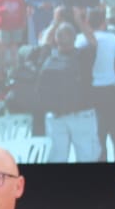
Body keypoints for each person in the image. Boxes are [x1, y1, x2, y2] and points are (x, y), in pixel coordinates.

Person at [33, 21, 97, 163]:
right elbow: (93, 42)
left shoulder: (47, 59)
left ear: (56, 40)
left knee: (57, 158)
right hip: (82, 113)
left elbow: (45, 43)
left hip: (55, 116)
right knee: (87, 156)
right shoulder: (83, 57)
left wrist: (55, 21)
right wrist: (80, 20)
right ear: (75, 38)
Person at [84, 8, 115, 161]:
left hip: (91, 91)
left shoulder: (81, 39)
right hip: (111, 90)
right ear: (104, 22)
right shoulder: (111, 38)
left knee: (98, 134)